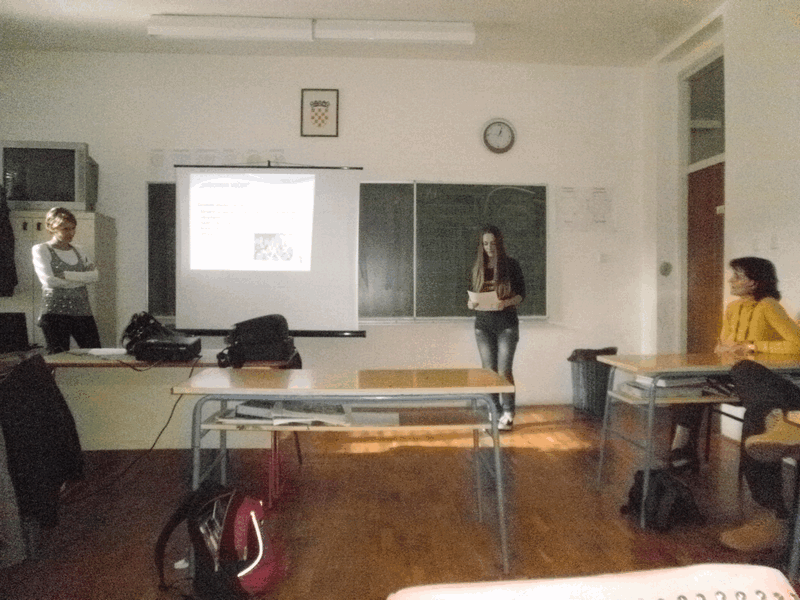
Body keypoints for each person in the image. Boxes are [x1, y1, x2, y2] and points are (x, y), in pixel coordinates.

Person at [669, 257, 800, 472]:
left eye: (738, 277)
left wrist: (752, 346)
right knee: (690, 385)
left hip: (755, 380)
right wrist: (723, 348)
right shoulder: (733, 307)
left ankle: (681, 449)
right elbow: (724, 344)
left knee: (696, 388)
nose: (731, 281)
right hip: (730, 374)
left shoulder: (768, 306)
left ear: (754, 282)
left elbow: (797, 345)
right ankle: (682, 447)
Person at [467, 225, 525, 431]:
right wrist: (471, 303)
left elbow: (521, 295)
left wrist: (506, 302)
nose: (489, 247)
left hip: (506, 325)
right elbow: (467, 297)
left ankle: (508, 413)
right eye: (485, 243)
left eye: (492, 243)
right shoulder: (477, 267)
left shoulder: (511, 265)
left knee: (504, 370)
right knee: (488, 372)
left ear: (499, 243)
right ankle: (495, 411)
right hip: (483, 326)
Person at [32, 207, 101, 354]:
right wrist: (82, 279)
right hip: (54, 313)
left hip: (82, 311)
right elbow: (49, 281)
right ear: (52, 228)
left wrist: (65, 275)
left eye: (73, 228)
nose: (71, 233)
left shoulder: (79, 250)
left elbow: (95, 276)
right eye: (65, 229)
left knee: (95, 353)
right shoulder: (41, 249)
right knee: (59, 357)